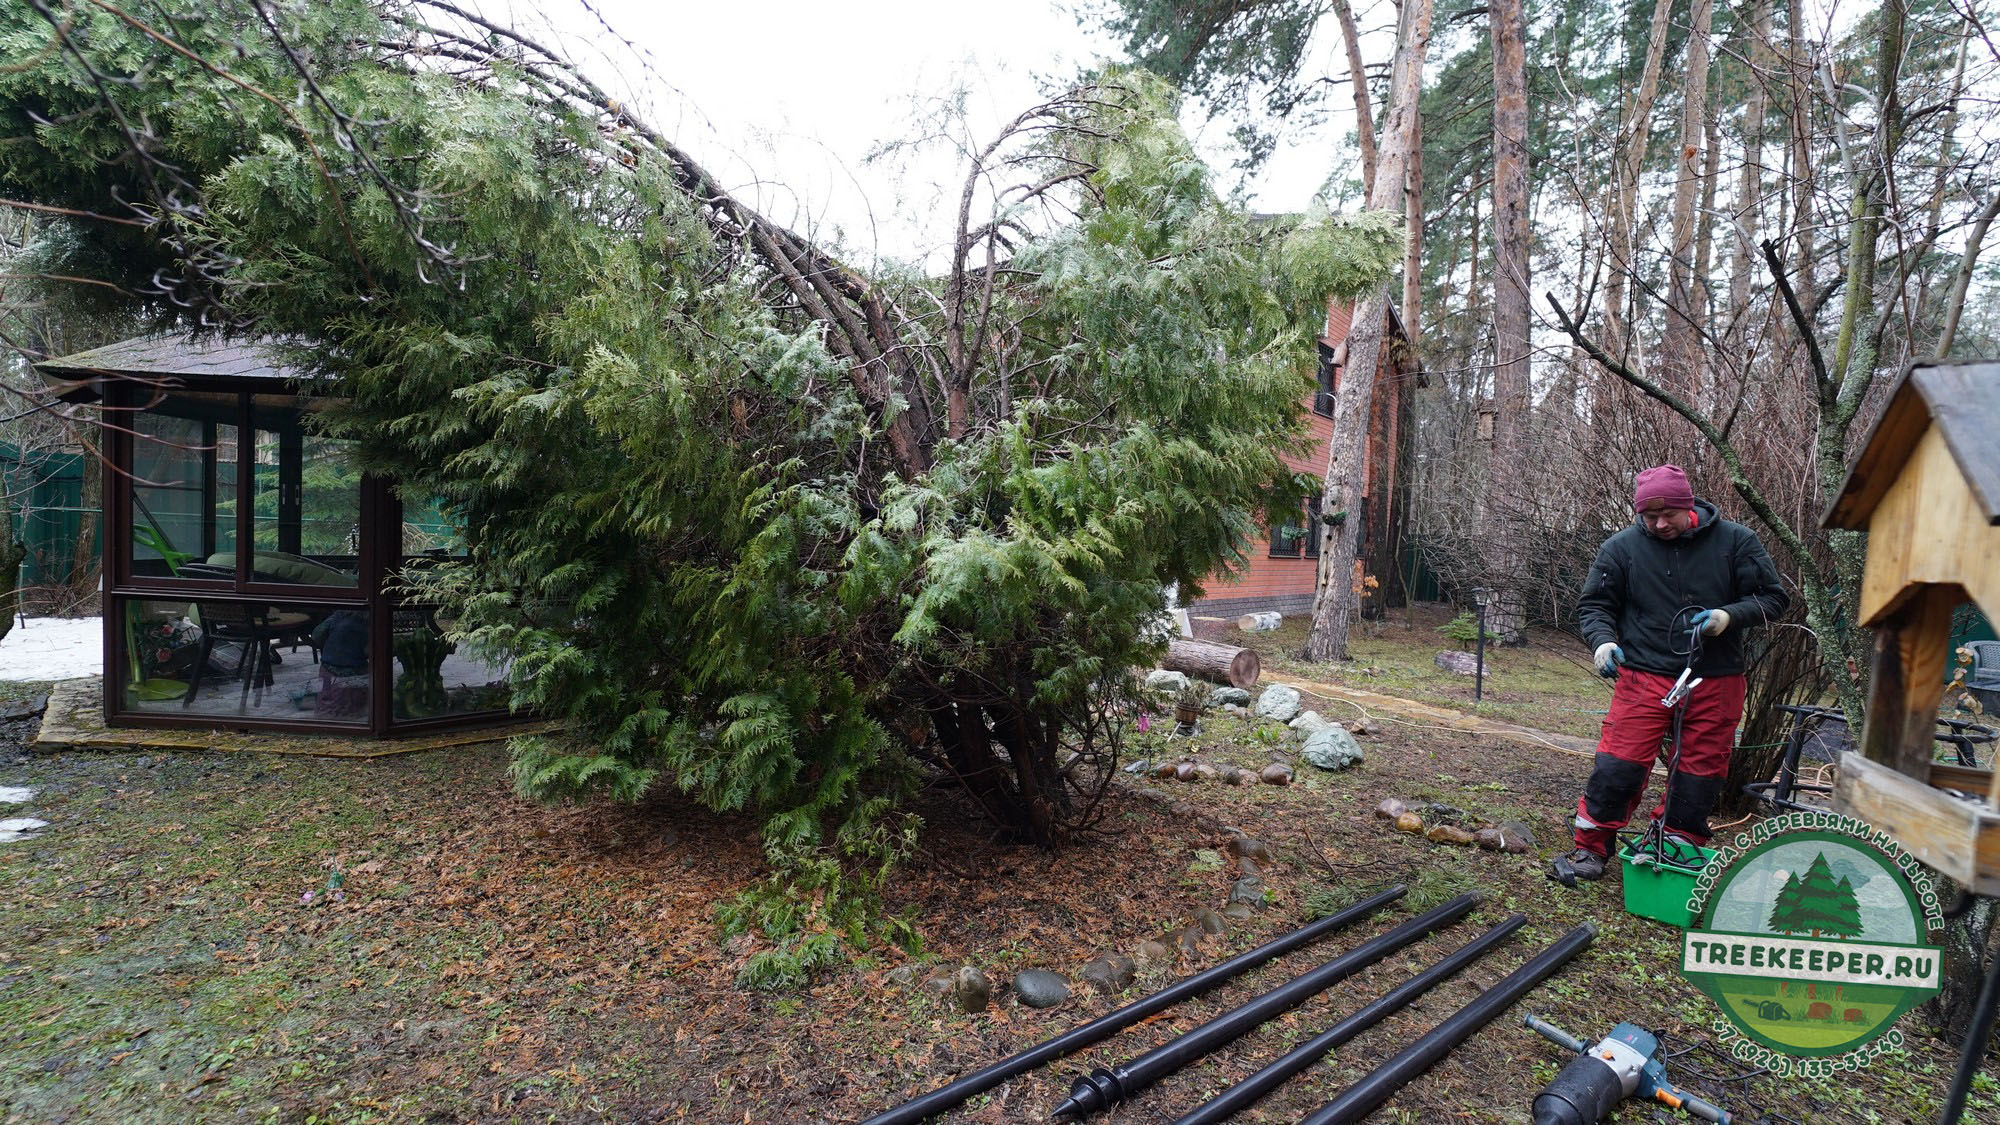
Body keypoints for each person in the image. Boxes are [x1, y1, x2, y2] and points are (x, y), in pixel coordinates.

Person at [1550, 464, 1789, 885]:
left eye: (1669, 516)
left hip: (1716, 678)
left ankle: (1676, 848)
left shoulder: (1736, 542)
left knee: (1700, 772)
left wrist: (1727, 616)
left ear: (1688, 505)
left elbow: (1772, 598)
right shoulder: (1621, 549)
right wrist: (1602, 641)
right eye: (1649, 517)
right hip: (1644, 674)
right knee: (1617, 765)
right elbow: (1595, 606)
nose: (1660, 524)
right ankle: (1590, 848)